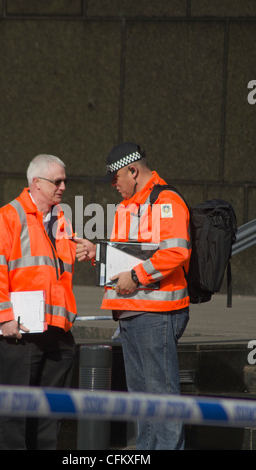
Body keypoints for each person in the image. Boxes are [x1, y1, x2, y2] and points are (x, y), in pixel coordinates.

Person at [76, 142, 191, 450]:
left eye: (116, 178)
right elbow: (125, 256)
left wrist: (137, 277)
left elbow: (176, 251)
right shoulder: (130, 205)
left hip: (155, 315)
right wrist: (96, 252)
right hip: (132, 313)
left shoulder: (165, 201)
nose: (114, 185)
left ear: (133, 170)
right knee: (142, 396)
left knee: (161, 395)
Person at [0, 154, 77, 450]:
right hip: (20, 332)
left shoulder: (61, 218)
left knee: (49, 416)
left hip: (56, 331)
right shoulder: (8, 217)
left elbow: (58, 270)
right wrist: (3, 318)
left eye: (64, 180)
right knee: (16, 416)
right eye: (56, 181)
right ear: (36, 183)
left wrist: (83, 249)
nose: (63, 187)